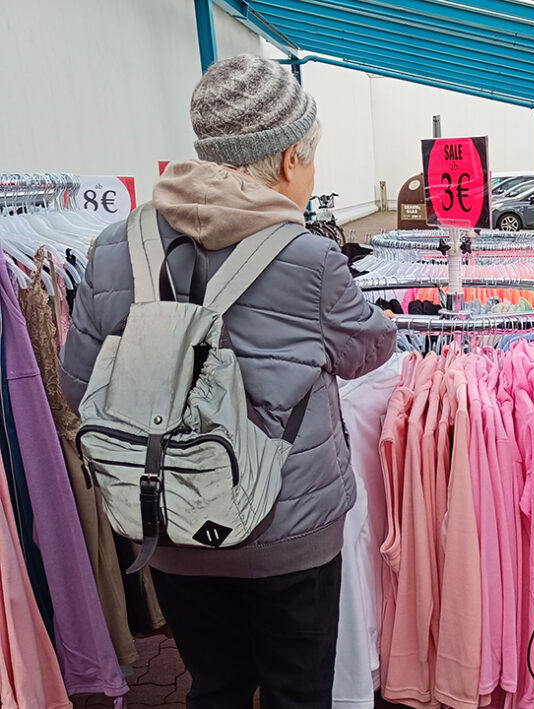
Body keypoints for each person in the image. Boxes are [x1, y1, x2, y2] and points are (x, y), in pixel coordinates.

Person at [59, 54, 398, 709]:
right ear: (290, 158)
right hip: (290, 528)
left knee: (214, 687)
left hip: (168, 520)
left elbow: (80, 388)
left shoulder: (114, 245)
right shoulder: (310, 258)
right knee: (300, 692)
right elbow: (367, 352)